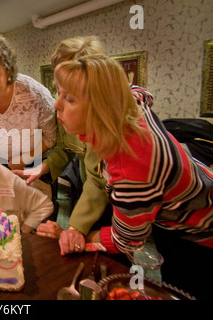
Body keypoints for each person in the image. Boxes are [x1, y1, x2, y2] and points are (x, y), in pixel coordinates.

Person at [54, 54, 213, 299]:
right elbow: (139, 91)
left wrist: (79, 239)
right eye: (59, 93)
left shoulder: (131, 169)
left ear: (100, 110)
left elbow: (126, 239)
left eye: (70, 98)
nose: (57, 105)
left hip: (201, 229)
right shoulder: (129, 103)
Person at [14, 36, 154, 256]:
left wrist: (73, 229)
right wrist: (43, 167)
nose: (58, 103)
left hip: (112, 199)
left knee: (109, 256)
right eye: (60, 90)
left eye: (69, 93)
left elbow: (100, 184)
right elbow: (64, 149)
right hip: (89, 192)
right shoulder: (67, 111)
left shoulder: (118, 119)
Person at [0, 31, 57, 172]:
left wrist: (27, 158)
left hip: (35, 163)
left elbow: (51, 137)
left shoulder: (35, 94)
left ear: (9, 72)